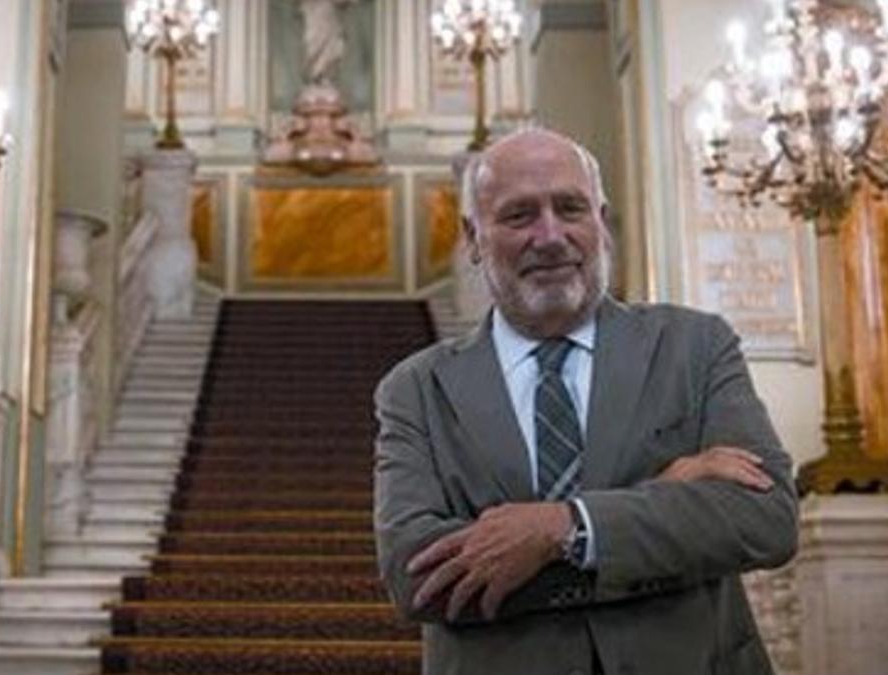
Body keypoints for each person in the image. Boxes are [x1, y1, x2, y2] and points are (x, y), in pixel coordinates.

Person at [373, 128, 798, 675]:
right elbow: (417, 578)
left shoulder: (695, 347)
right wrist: (662, 502)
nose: (550, 235)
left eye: (570, 208)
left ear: (600, 219)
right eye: (519, 215)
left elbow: (765, 518)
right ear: (473, 238)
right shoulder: (414, 390)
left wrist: (566, 527)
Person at [299, 0, 358, 86]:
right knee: (318, 52)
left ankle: (324, 77)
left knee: (336, 49)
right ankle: (317, 76)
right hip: (316, 27)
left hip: (331, 27)